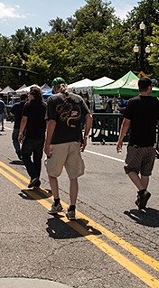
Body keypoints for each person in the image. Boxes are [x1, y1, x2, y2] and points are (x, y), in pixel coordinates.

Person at [44, 77, 92, 221]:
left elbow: (51, 122)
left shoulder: (52, 100)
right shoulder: (77, 99)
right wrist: (85, 136)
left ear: (54, 88)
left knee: (52, 173)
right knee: (73, 177)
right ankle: (72, 209)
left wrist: (47, 143)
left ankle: (57, 202)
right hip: (75, 141)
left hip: (58, 142)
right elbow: (89, 117)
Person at [116, 77, 159, 210]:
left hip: (136, 143)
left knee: (130, 169)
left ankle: (142, 192)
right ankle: (141, 198)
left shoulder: (132, 102)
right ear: (149, 88)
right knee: (145, 172)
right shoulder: (156, 103)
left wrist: (120, 139)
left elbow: (126, 123)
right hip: (151, 144)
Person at [18, 86, 47, 188]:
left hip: (30, 134)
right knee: (37, 158)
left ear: (33, 95)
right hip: (41, 135)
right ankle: (36, 181)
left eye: (29, 94)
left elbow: (24, 120)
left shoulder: (28, 105)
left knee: (25, 155)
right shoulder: (44, 106)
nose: (28, 96)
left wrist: (20, 133)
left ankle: (34, 176)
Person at [10, 94, 28, 159]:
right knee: (25, 140)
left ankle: (18, 150)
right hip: (26, 126)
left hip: (17, 125)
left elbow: (11, 113)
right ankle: (23, 151)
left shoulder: (16, 105)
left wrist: (16, 115)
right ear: (26, 98)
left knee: (15, 139)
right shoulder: (28, 105)